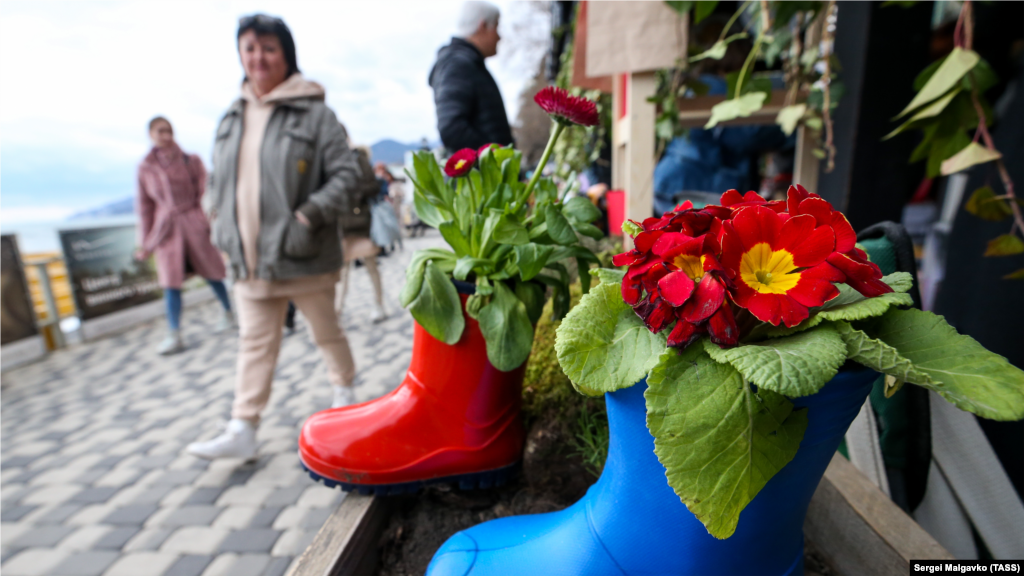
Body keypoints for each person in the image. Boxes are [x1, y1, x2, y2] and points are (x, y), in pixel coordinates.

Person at [187, 14, 362, 460]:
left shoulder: (315, 112)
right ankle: (242, 426)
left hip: (301, 253)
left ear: (286, 55)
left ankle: (346, 403)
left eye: (268, 48)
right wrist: (214, 215)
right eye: (249, 47)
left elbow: (347, 174)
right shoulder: (232, 115)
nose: (258, 57)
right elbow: (216, 180)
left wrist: (308, 215)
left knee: (327, 332)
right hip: (247, 259)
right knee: (254, 344)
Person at [135, 117, 233, 355]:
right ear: (150, 134)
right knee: (170, 283)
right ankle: (174, 333)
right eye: (160, 131)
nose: (166, 135)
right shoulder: (145, 167)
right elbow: (145, 207)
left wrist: (206, 220)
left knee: (213, 273)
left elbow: (206, 191)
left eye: (169, 130)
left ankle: (229, 312)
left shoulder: (191, 159)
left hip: (194, 223)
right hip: (166, 230)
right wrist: (145, 242)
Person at [429, 0, 513, 152]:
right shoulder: (458, 64)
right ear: (482, 26)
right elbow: (451, 128)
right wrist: (493, 160)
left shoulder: (468, 63)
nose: (499, 37)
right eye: (496, 27)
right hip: (481, 175)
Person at [336, 147, 387, 323]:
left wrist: (353, 192)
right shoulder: (328, 157)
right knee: (342, 271)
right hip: (340, 224)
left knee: (371, 266)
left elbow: (374, 186)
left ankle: (379, 305)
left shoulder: (358, 158)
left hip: (361, 222)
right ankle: (337, 310)